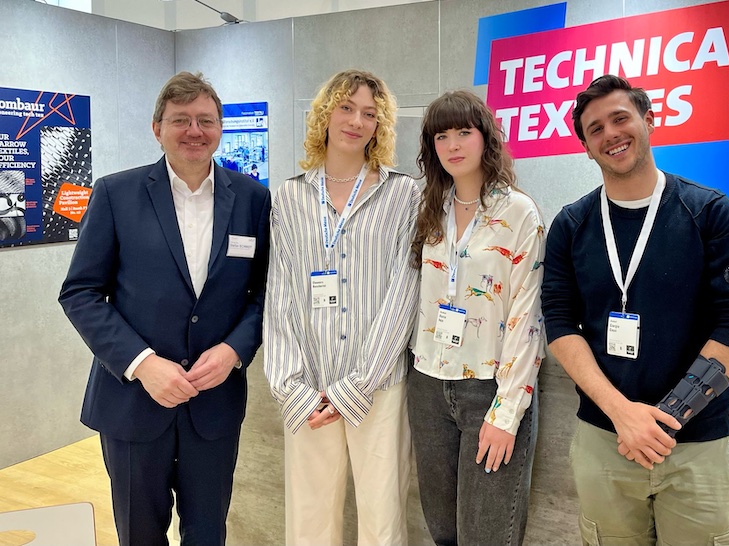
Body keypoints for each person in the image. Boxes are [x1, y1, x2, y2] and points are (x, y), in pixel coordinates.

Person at [542, 74, 729, 546]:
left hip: (696, 442)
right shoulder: (571, 225)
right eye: (595, 129)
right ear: (586, 147)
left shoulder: (708, 212)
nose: (610, 134)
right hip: (605, 438)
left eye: (620, 118)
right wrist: (623, 414)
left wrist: (665, 419)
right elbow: (559, 322)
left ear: (649, 121)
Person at [58, 71, 271, 546]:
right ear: (157, 128)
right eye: (180, 120)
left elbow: (266, 295)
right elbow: (80, 292)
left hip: (213, 405)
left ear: (220, 128)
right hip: (133, 404)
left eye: (205, 120)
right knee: (139, 534)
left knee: (207, 533)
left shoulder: (253, 199)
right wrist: (142, 364)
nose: (194, 131)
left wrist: (234, 350)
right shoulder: (116, 194)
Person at [262, 69, 420, 546]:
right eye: (347, 108)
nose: (356, 121)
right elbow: (280, 295)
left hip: (378, 387)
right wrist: (289, 385)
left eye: (370, 113)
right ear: (326, 114)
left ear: (381, 125)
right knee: (309, 519)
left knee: (383, 515)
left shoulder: (403, 194)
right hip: (310, 387)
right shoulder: (289, 196)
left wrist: (360, 382)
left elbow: (404, 294)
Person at [409, 90, 545, 546]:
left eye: (463, 132)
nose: (453, 144)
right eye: (441, 135)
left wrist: (506, 412)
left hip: (489, 386)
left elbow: (528, 316)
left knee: (484, 534)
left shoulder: (519, 212)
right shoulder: (429, 209)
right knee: (442, 529)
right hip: (427, 385)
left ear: (486, 138)